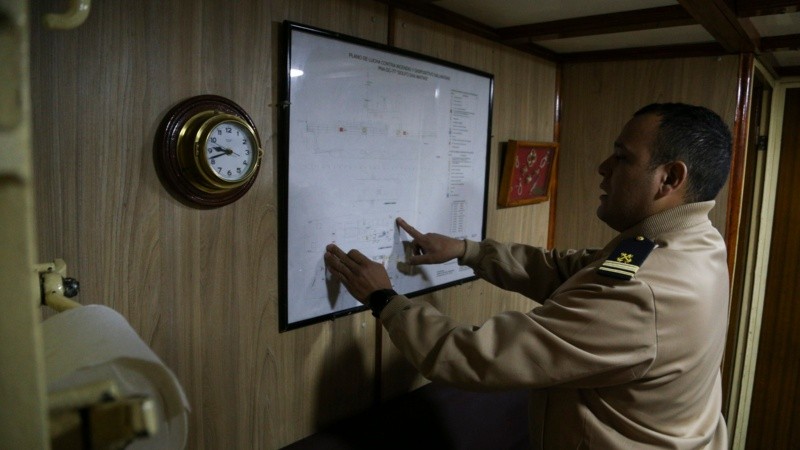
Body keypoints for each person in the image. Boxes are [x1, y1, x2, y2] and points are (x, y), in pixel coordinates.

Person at [324, 102, 732, 449]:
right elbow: (567, 271)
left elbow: (478, 357)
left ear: (670, 178)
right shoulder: (690, 241)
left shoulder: (647, 288)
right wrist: (470, 251)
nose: (603, 167)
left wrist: (384, 299)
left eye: (623, 157)